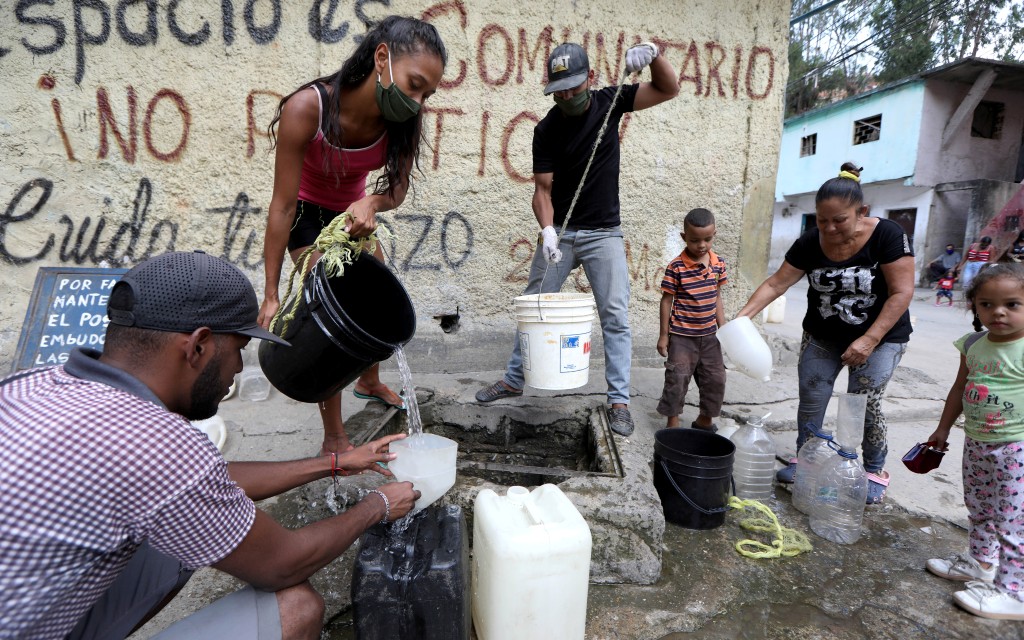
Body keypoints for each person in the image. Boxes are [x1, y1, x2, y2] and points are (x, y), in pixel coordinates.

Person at [0, 251, 419, 640]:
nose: (237, 367)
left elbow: (199, 483)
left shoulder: (29, 384)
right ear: (198, 346)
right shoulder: (157, 442)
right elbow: (283, 563)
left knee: (176, 541)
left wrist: (334, 462)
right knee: (297, 607)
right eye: (238, 349)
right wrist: (378, 505)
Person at [258, 16, 447, 455]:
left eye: (427, 95)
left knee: (378, 302)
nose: (418, 102)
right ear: (382, 58)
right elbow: (282, 206)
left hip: (351, 214)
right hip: (306, 216)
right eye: (415, 85)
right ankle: (335, 437)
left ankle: (369, 381)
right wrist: (270, 294)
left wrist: (371, 203)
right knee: (333, 316)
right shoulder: (308, 108)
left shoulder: (403, 119)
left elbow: (396, 190)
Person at [474, 40, 680, 436]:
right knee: (534, 304)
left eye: (573, 87)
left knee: (615, 316)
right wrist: (547, 231)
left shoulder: (612, 101)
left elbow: (668, 89)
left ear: (589, 78)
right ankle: (514, 379)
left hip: (604, 233)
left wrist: (655, 57)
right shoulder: (546, 130)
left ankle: (618, 401)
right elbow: (542, 191)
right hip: (562, 234)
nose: (567, 96)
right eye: (559, 90)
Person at [736, 163, 915, 504]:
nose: (830, 228)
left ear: (862, 212)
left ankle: (874, 469)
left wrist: (869, 339)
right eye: (822, 220)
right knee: (812, 396)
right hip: (822, 335)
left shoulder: (888, 235)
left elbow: (901, 292)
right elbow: (776, 283)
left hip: (880, 336)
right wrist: (741, 319)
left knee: (864, 403)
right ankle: (807, 459)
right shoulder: (809, 242)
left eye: (839, 220)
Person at [925, 263, 1024, 620]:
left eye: (1012, 304)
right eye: (987, 304)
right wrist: (943, 428)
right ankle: (982, 563)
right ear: (974, 307)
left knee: (1013, 520)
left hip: (1016, 447)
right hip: (977, 442)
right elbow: (959, 388)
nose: (998, 312)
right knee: (980, 507)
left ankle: (1015, 592)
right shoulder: (972, 344)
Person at [656, 208, 727, 431]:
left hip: (710, 337)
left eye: (708, 239)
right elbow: (666, 300)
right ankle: (673, 422)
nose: (702, 245)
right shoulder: (676, 267)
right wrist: (664, 335)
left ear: (714, 234)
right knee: (677, 378)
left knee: (715, 378)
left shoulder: (718, 264)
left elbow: (716, 296)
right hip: (682, 337)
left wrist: (724, 328)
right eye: (695, 240)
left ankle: (705, 420)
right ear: (684, 237)